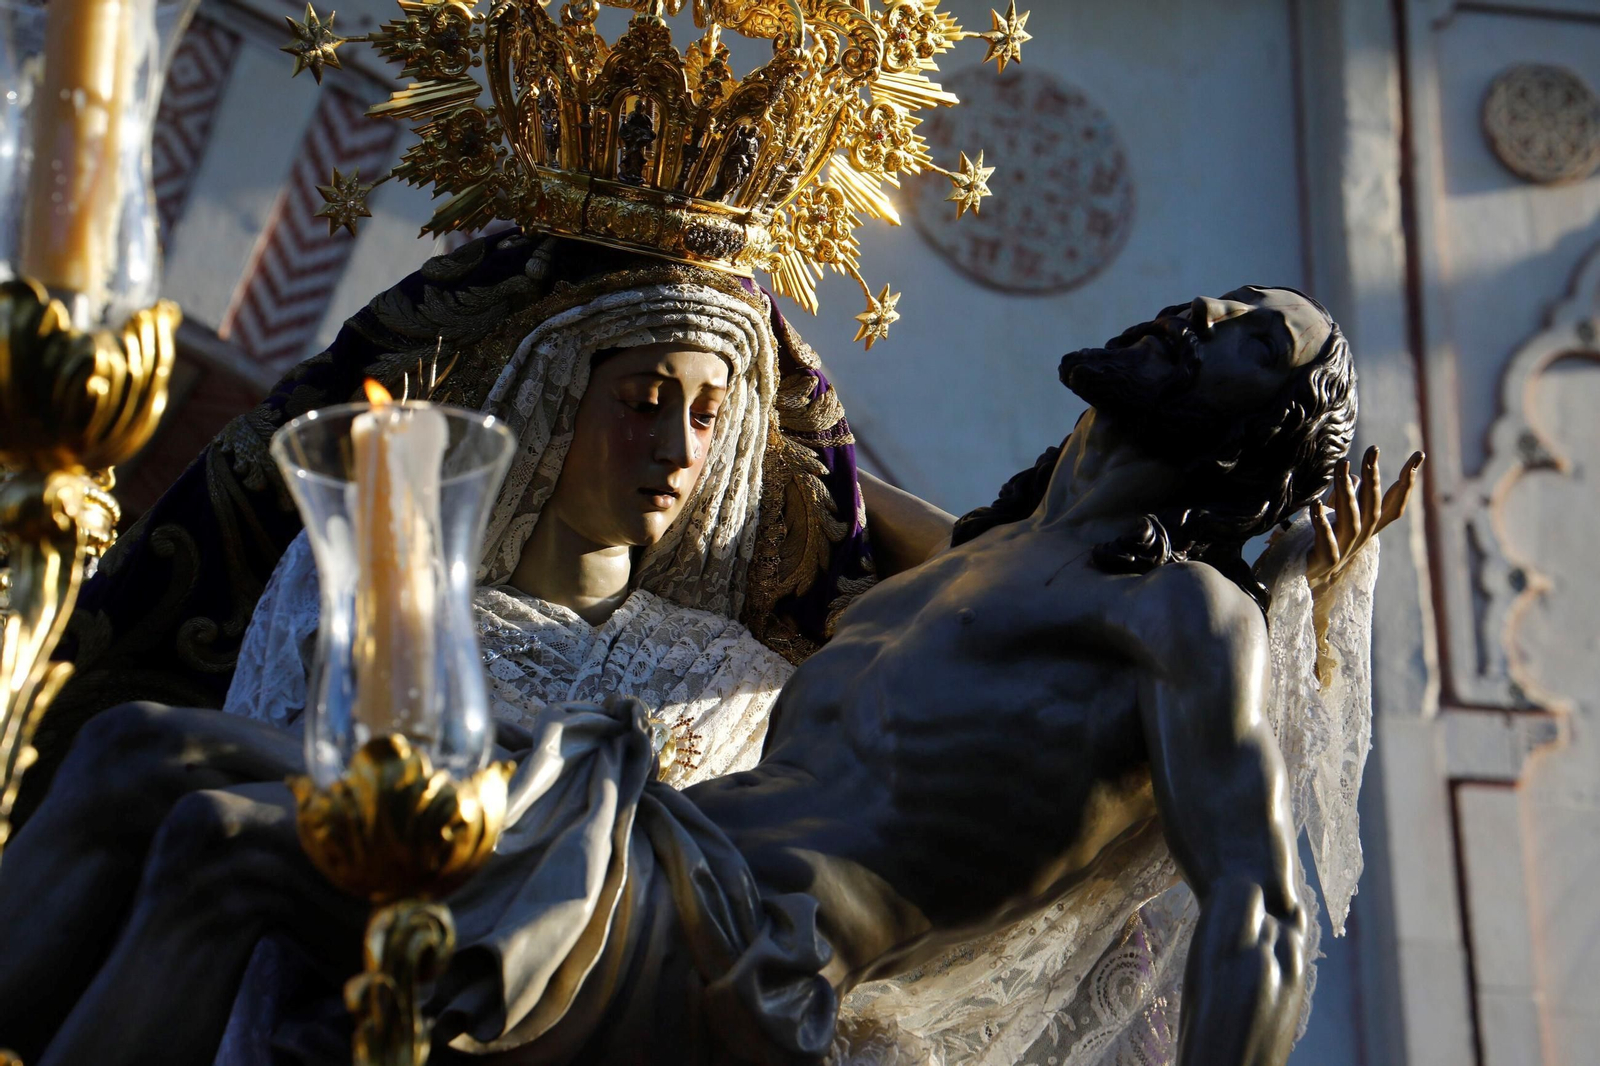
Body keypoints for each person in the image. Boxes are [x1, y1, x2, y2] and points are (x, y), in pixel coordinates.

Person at [0, 285, 1418, 1066]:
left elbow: (1265, 908)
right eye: (1225, 295)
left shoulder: (1181, 619)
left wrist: (1300, 603)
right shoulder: (965, 573)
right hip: (643, 845)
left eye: (1249, 336)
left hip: (730, 952)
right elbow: (823, 478)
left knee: (216, 850)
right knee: (137, 754)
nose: (1202, 311)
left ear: (1252, 434)